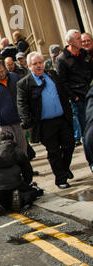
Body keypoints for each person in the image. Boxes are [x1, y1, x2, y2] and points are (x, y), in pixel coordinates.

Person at [17, 52, 75, 189]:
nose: (38, 66)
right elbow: (22, 104)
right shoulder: (24, 84)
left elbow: (63, 91)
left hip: (62, 119)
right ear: (29, 66)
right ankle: (60, 179)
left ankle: (64, 168)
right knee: (53, 151)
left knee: (70, 145)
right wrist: (27, 121)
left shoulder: (52, 75)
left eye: (40, 63)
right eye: (35, 64)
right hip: (44, 124)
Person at [56, 29, 93, 172]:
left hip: (89, 94)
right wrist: (74, 97)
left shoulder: (85, 54)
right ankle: (91, 161)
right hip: (78, 99)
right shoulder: (62, 59)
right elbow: (62, 82)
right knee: (86, 131)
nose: (81, 41)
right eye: (78, 39)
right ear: (70, 42)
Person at [0, 132, 40, 215]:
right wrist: (26, 184)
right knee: (32, 192)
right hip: (13, 184)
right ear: (13, 139)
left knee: (2, 202)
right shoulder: (17, 151)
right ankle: (22, 200)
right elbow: (27, 171)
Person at [0, 59, 29, 157]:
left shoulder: (13, 77)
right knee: (10, 148)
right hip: (3, 123)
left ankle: (26, 170)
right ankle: (16, 171)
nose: (1, 74)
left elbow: (22, 92)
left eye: (3, 71)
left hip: (17, 118)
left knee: (23, 146)